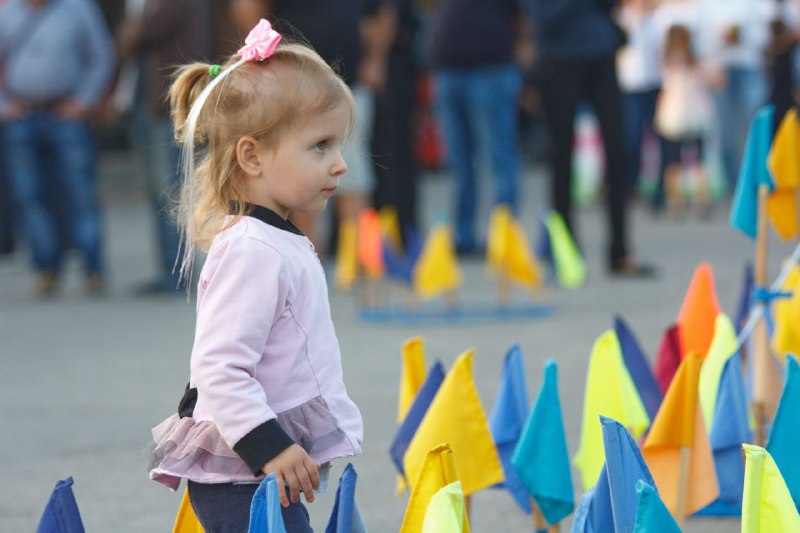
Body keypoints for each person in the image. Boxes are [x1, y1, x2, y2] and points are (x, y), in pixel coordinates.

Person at [147, 21, 363, 532]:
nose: (340, 166)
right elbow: (219, 368)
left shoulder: (274, 239)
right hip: (244, 473)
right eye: (320, 146)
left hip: (261, 471)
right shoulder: (251, 250)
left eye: (338, 147)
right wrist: (271, 447)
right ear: (252, 155)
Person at [522, 0, 654, 277]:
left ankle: (620, 250)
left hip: (600, 53)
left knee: (618, 152)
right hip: (558, 58)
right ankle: (565, 251)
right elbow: (542, 15)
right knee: (560, 159)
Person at [0, 0, 115, 295]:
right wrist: (4, 106)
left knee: (80, 192)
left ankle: (93, 268)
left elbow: (101, 55)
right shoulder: (7, 12)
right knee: (30, 194)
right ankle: (46, 267)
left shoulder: (78, 8)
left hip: (66, 114)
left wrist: (85, 101)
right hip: (22, 115)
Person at [114, 0, 212, 295]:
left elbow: (135, 34)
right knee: (163, 191)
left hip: (166, 109)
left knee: (170, 190)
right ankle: (170, 270)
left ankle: (177, 273)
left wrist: (133, 26)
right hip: (150, 106)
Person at [428, 0, 524, 255]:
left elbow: (523, 13)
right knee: (458, 161)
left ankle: (503, 237)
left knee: (499, 157)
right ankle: (463, 234)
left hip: (491, 67)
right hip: (448, 68)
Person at [654, 24, 714, 218]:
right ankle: (701, 199)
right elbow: (714, 81)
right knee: (698, 160)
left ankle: (675, 202)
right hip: (697, 114)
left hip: (674, 115)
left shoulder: (666, 62)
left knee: (674, 160)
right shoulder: (696, 62)